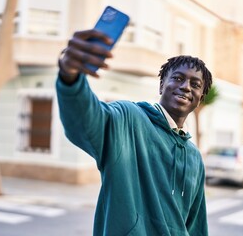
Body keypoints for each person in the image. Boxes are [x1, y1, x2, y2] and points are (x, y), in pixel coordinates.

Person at [56, 29, 212, 236]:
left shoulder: (194, 157)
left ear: (200, 99)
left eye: (195, 84)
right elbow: (86, 122)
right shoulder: (128, 118)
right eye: (178, 78)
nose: (185, 87)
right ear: (162, 85)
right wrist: (70, 76)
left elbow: (196, 225)